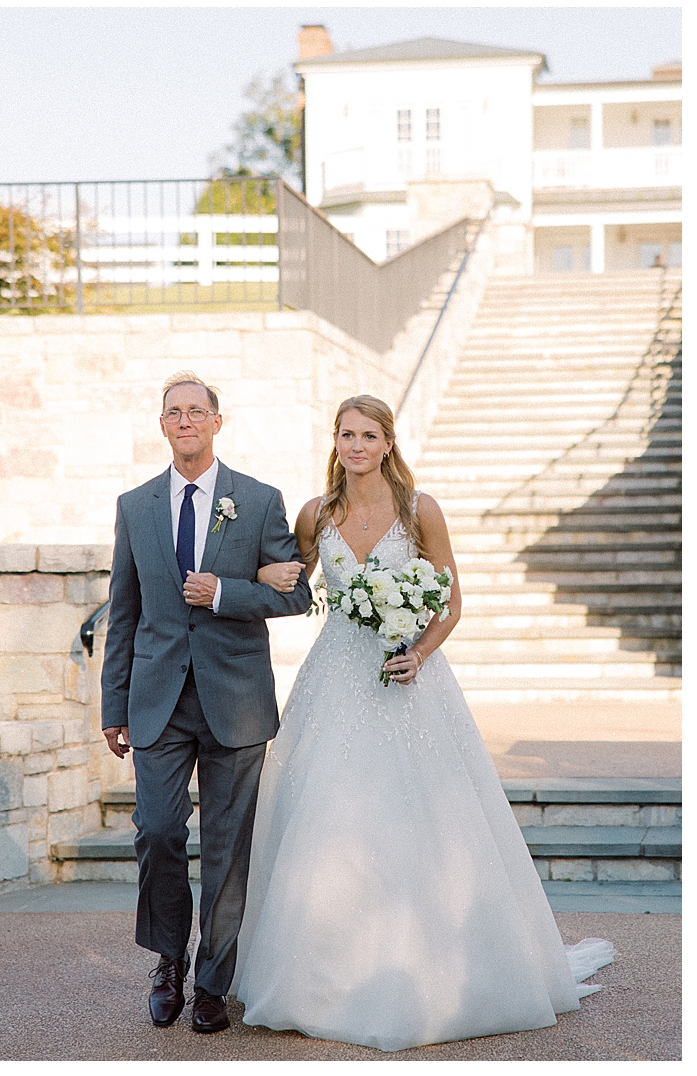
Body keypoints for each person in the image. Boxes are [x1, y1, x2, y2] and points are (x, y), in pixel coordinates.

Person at [230, 394, 613, 1052]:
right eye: (346, 434)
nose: (356, 445)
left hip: (410, 681)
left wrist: (419, 653)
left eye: (368, 435)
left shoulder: (419, 510)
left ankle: (438, 972)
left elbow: (452, 600)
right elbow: (294, 591)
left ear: (387, 443)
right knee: (330, 822)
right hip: (334, 682)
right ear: (336, 442)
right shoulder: (316, 513)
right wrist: (259, 573)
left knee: (426, 819)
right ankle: (320, 977)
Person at [101, 371, 312, 1035]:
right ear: (162, 425)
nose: (185, 420)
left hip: (236, 701)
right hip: (157, 700)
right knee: (158, 831)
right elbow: (123, 611)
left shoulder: (259, 500)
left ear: (218, 421)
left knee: (227, 848)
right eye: (174, 412)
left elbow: (295, 595)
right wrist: (114, 705)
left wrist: (224, 591)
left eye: (197, 410)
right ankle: (169, 959)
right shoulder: (135, 506)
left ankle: (214, 982)